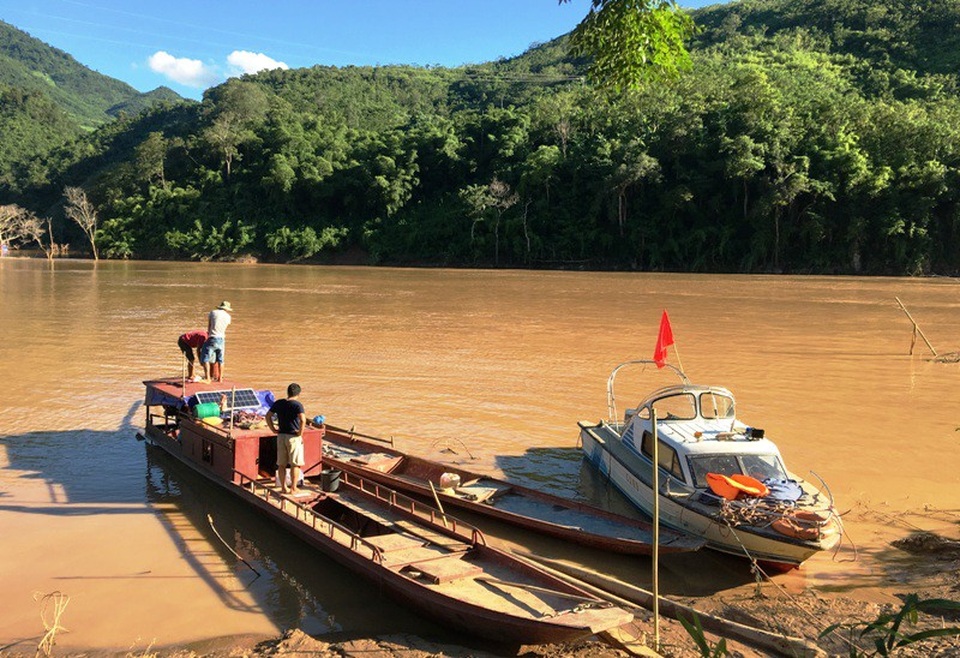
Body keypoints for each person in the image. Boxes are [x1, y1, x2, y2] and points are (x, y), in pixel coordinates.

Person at [266, 383, 306, 495]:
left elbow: (268, 416)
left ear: (287, 392)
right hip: (293, 437)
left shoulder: (279, 403)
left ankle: (283, 487)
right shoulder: (297, 405)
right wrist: (300, 433)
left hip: (281, 436)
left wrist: (273, 429)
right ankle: (293, 488)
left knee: (281, 464)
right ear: (298, 393)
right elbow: (303, 420)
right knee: (295, 464)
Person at [200, 300, 232, 382]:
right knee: (221, 360)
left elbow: (209, 326)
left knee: (205, 358)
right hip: (222, 339)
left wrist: (208, 336)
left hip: (212, 337)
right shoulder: (228, 317)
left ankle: (207, 378)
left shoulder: (213, 312)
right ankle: (220, 378)